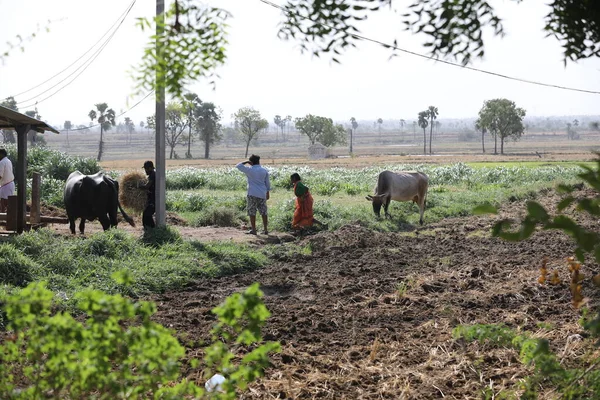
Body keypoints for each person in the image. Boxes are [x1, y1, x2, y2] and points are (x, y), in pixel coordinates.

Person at [236, 154, 270, 235]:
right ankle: (265, 229)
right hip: (262, 193)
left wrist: (246, 162)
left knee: (252, 212)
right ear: (258, 161)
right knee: (263, 212)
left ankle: (254, 230)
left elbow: (238, 166)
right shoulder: (264, 170)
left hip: (252, 193)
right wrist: (267, 193)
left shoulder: (249, 170)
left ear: (251, 162)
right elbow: (267, 183)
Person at [139, 160, 156, 229]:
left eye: (146, 169)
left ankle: (152, 229)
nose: (145, 171)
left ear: (150, 168)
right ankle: (149, 229)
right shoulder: (152, 174)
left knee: (147, 214)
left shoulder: (152, 175)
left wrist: (139, 186)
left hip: (153, 199)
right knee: (145, 214)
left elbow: (147, 186)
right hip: (151, 198)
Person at [0, 148, 15, 213]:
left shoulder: (2, 162)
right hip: (10, 184)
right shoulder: (8, 161)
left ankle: (4, 219)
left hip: (5, 185)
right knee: (6, 203)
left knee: (4, 204)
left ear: (1, 154)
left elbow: (0, 175)